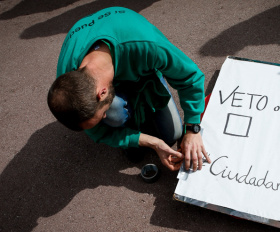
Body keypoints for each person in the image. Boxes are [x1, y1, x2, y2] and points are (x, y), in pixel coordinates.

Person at [47, 7, 211, 171]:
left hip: (142, 70)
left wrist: (192, 129)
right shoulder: (67, 81)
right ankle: (129, 114)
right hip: (115, 74)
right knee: (115, 112)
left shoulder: (145, 45)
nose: (105, 117)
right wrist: (151, 142)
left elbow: (190, 77)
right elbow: (98, 132)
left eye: (101, 114)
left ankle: (146, 92)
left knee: (173, 135)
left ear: (102, 92)